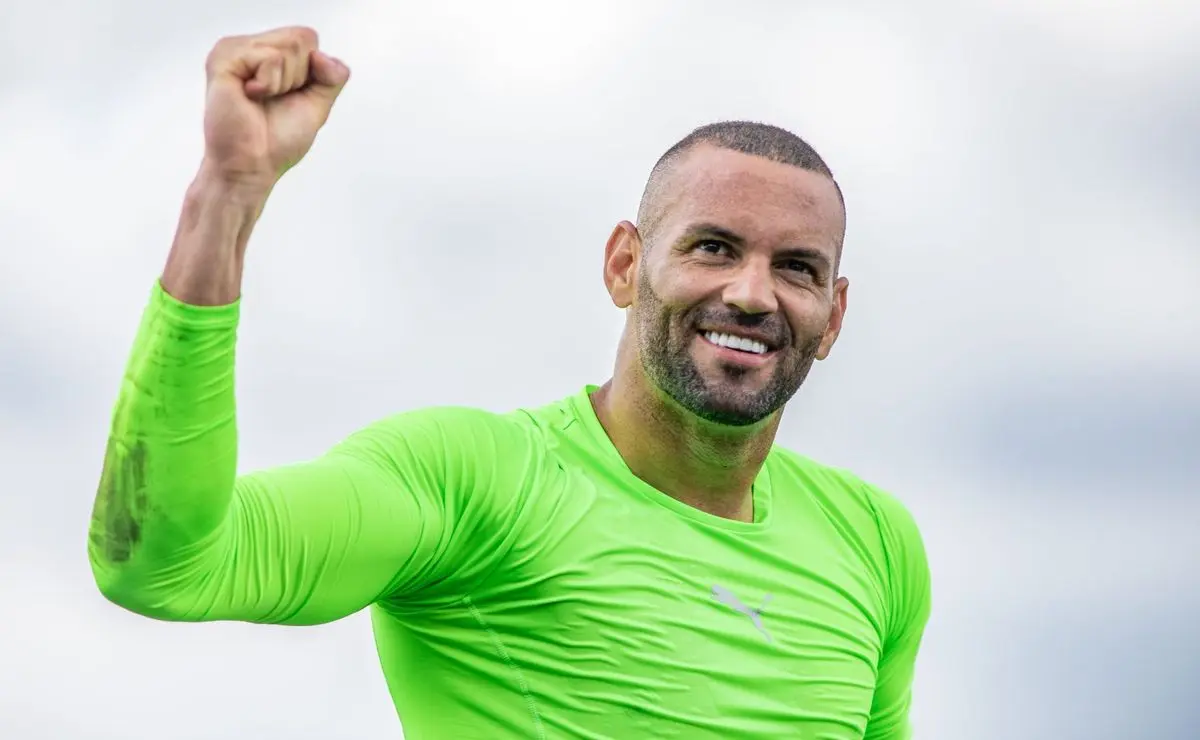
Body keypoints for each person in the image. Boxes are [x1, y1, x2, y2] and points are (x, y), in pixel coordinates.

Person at [87, 25, 931, 740]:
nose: (751, 293)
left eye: (796, 267)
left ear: (833, 316)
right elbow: (161, 565)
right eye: (712, 247)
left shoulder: (875, 543)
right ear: (624, 265)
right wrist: (225, 198)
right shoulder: (473, 482)